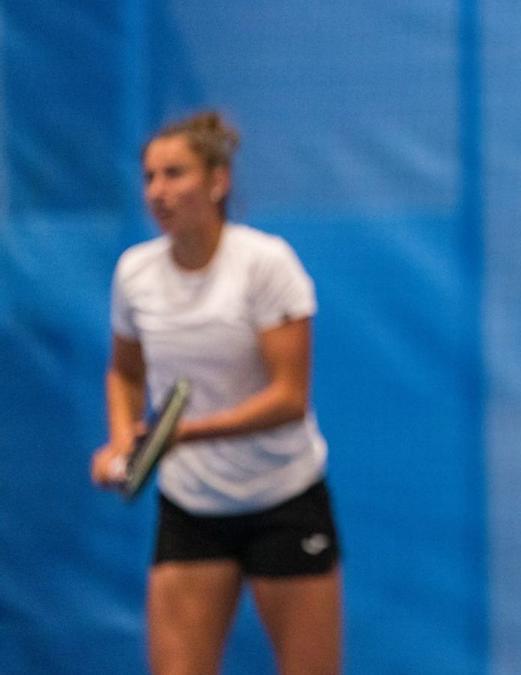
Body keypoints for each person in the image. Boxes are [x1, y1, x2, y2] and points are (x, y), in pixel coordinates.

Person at [90, 111, 342, 675]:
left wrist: (180, 434)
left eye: (175, 174)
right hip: (191, 508)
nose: (158, 191)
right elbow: (125, 373)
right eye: (149, 177)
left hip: (284, 499)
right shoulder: (135, 273)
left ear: (218, 180)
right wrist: (121, 443)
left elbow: (288, 398)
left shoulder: (266, 264)